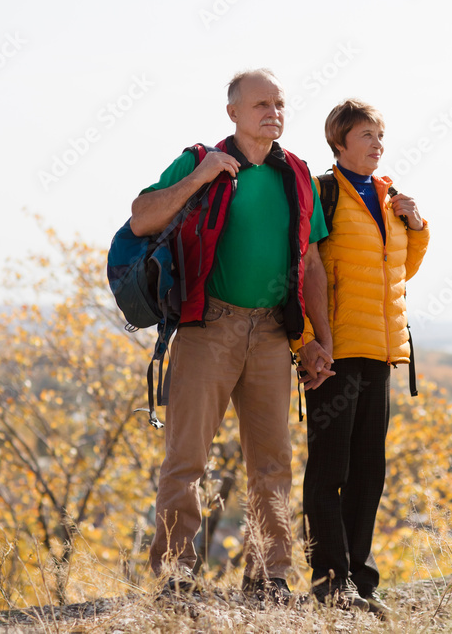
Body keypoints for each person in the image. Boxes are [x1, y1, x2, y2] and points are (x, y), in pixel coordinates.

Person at [131, 69, 335, 603]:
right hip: (208, 327)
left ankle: (268, 579)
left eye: (280, 104)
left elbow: (311, 261)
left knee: (273, 463)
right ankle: (176, 577)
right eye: (261, 103)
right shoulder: (197, 160)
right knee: (186, 457)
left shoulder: (298, 174)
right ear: (234, 113)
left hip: (272, 331)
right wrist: (200, 177)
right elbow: (141, 218)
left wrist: (319, 340)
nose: (273, 112)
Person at [295, 99, 430, 616]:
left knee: (370, 469)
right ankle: (331, 583)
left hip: (381, 352)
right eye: (366, 135)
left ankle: (360, 581)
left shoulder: (389, 195)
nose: (377, 144)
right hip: (335, 353)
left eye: (380, 135)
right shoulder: (324, 193)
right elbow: (302, 269)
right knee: (329, 468)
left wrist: (415, 226)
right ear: (340, 142)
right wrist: (308, 341)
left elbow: (399, 273)